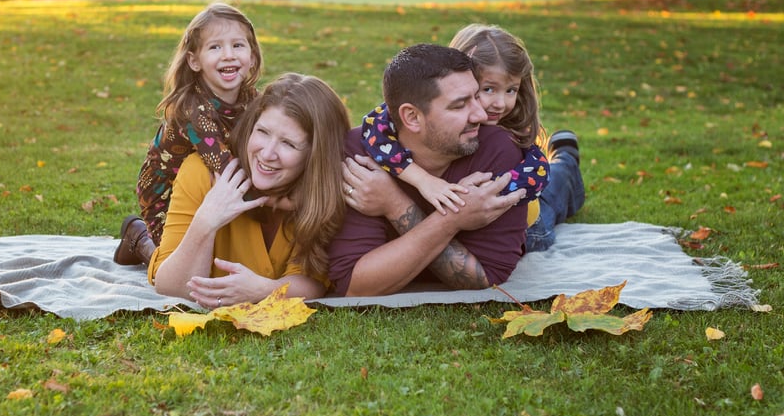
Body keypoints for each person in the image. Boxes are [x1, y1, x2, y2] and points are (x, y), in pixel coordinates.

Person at [359, 23, 584, 251]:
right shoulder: (428, 112)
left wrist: (475, 196)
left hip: (529, 230)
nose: (500, 103)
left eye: (511, 90)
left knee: (555, 192)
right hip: (456, 234)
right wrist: (423, 180)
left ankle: (566, 158)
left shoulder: (509, 133)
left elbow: (535, 177)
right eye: (488, 89)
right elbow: (373, 129)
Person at [327, 44, 529, 297]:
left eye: (476, 96)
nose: (480, 114)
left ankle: (564, 158)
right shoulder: (359, 156)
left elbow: (487, 276)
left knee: (551, 205)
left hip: (534, 214)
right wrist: (452, 219)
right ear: (412, 117)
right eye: (459, 105)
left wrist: (394, 205)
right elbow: (355, 285)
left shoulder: (497, 149)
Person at [149, 73, 351, 307]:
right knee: (152, 252)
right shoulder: (200, 172)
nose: (266, 154)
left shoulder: (320, 195)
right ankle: (138, 240)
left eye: (288, 143)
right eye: (262, 132)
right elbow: (170, 287)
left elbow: (312, 279)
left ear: (315, 155)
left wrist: (264, 290)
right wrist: (206, 221)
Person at [114, 2, 263, 266]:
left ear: (252, 56)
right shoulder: (191, 111)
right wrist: (281, 202)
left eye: (238, 45)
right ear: (194, 60)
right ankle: (138, 238)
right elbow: (225, 168)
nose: (228, 55)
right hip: (165, 195)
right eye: (215, 47)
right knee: (174, 262)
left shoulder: (253, 99)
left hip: (205, 188)